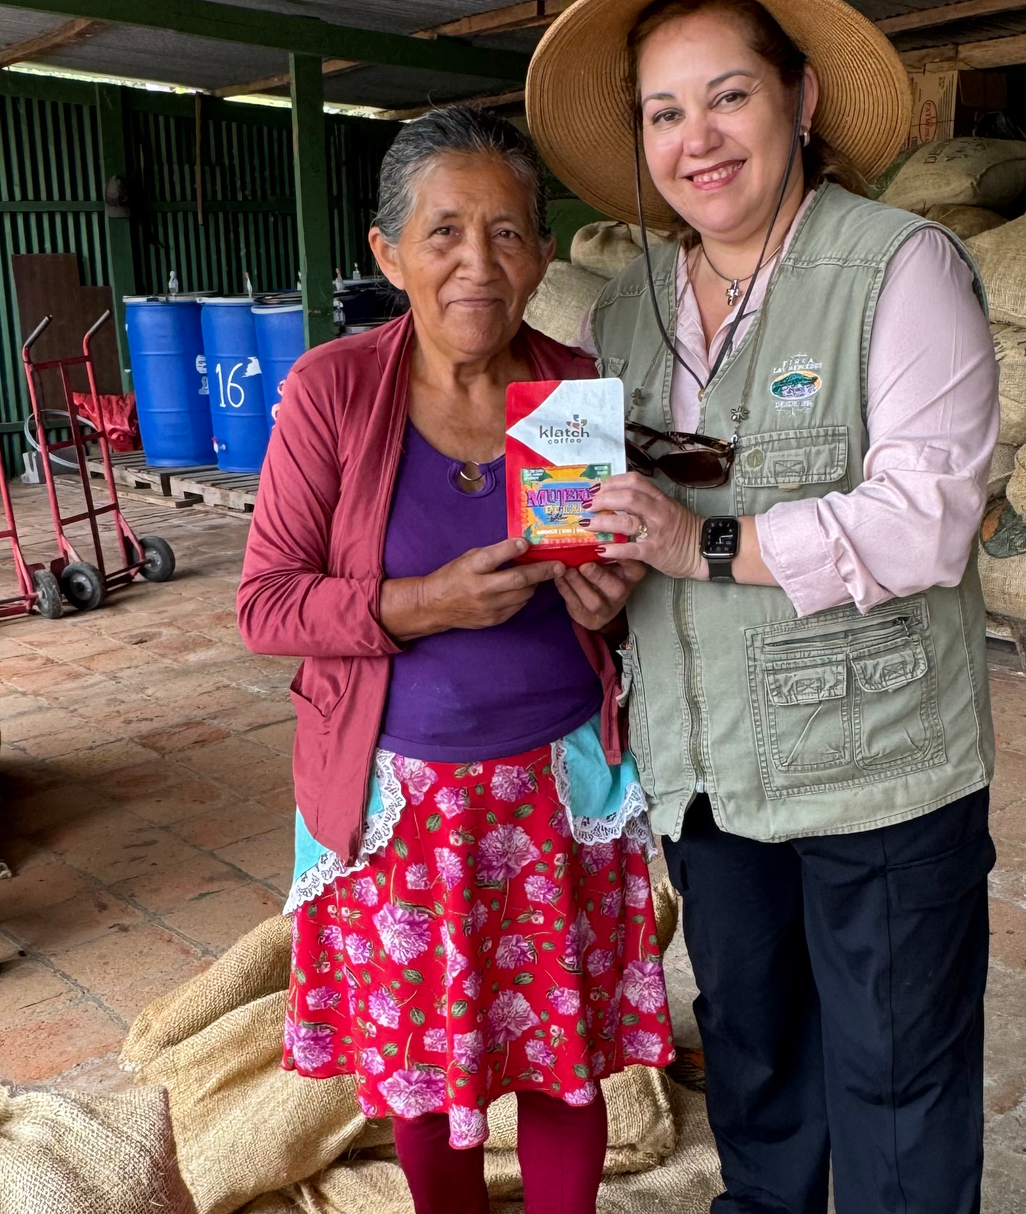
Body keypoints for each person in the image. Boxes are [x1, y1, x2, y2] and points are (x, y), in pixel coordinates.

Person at [527, 1, 1000, 1211]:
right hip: (708, 772)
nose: (699, 138)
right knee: (754, 1054)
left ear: (800, 100)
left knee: (897, 1071)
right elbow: (593, 512)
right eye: (664, 111)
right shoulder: (617, 309)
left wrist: (702, 538)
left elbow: (927, 514)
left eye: (728, 95)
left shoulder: (898, 266)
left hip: (878, 765)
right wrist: (594, 577)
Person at [237, 105, 674, 1214]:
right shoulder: (336, 390)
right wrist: (416, 604)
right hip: (403, 802)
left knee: (563, 1063)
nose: (478, 264)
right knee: (430, 1077)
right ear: (388, 254)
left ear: (538, 251)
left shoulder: (568, 390)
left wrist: (610, 598)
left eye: (509, 232)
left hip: (558, 790)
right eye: (443, 233)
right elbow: (265, 603)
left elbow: (609, 588)